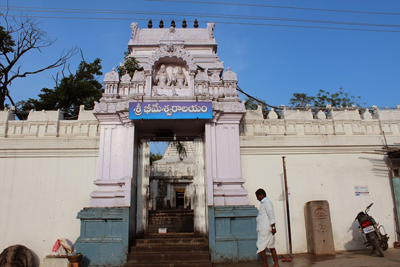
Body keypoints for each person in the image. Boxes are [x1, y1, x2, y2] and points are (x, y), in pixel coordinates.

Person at [255, 188, 279, 267]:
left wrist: (273, 227)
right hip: (264, 228)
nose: (257, 198)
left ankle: (266, 264)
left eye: (257, 196)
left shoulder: (267, 203)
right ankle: (275, 264)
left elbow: (271, 215)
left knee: (261, 246)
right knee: (270, 246)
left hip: (265, 229)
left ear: (261, 195)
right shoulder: (263, 203)